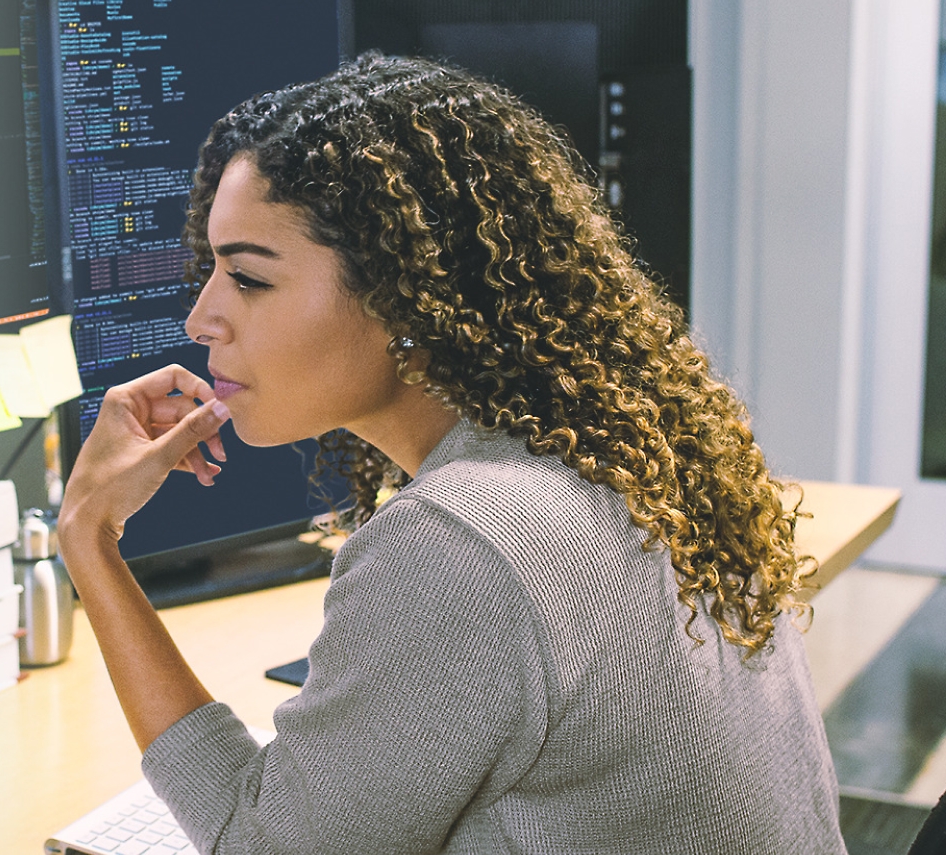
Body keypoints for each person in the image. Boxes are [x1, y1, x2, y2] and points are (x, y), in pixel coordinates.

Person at [57, 54, 848, 854]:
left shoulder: (459, 544)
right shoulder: (627, 449)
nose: (202, 319)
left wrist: (88, 539)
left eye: (249, 281)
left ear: (403, 293)